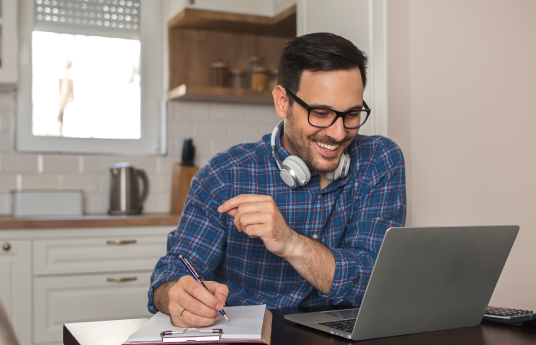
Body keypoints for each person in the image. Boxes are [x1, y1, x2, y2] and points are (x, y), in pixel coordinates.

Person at [148, 32, 406, 327]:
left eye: (351, 114)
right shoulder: (225, 175)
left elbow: (372, 284)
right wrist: (177, 297)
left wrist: (290, 243)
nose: (337, 133)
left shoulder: (379, 161)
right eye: (320, 113)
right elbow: (169, 276)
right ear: (283, 102)